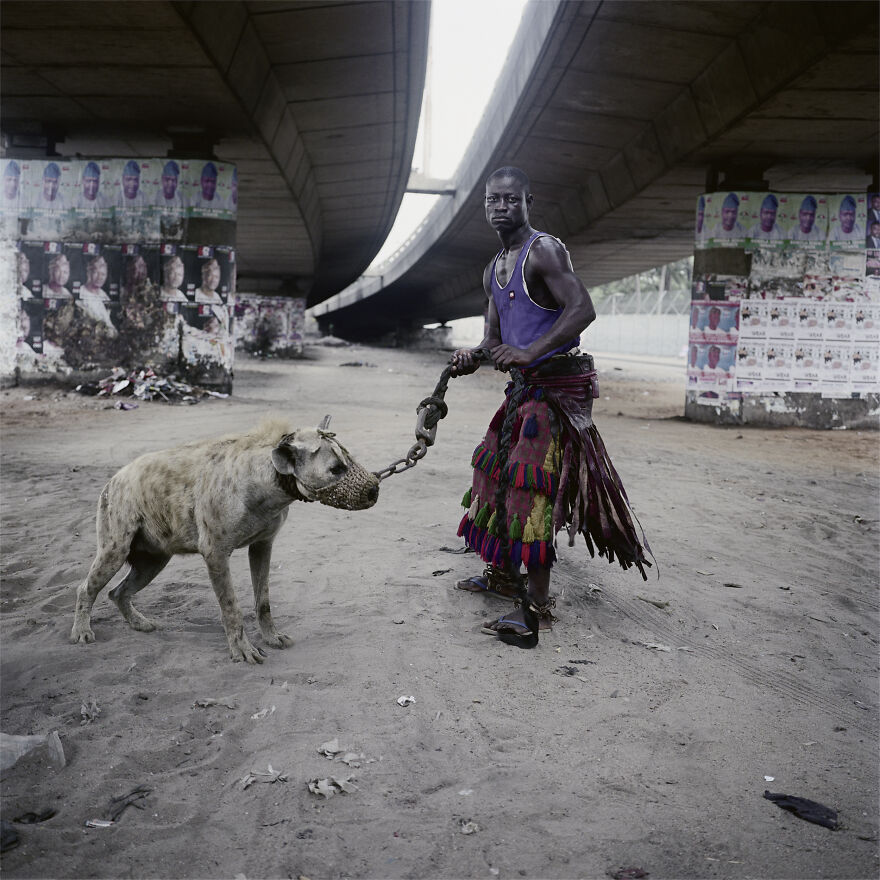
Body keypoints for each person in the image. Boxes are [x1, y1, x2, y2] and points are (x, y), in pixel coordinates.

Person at [449, 167, 651, 643]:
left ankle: (536, 606)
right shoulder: (493, 268)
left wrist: (529, 353)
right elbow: (495, 341)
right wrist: (469, 358)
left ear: (527, 201)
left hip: (554, 395)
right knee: (493, 471)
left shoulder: (544, 250)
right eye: (492, 201)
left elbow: (583, 308)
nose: (500, 208)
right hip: (523, 390)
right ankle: (501, 575)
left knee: (529, 492)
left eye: (509, 200)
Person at [78, 255, 117, 331]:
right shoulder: (80, 294)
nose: (100, 277)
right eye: (96, 272)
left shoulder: (105, 296)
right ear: (89, 272)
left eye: (103, 274)